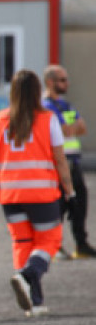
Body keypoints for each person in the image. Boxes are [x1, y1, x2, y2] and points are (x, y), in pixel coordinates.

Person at [0, 69, 75, 317]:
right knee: (49, 241)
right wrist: (70, 192)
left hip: (10, 196)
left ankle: (34, 301)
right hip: (42, 194)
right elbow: (60, 161)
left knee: (23, 243)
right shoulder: (48, 119)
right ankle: (26, 275)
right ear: (38, 91)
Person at [42, 65, 94, 258]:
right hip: (58, 164)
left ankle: (81, 244)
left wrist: (69, 126)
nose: (67, 83)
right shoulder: (46, 106)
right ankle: (53, 246)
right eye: (62, 80)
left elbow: (81, 128)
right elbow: (64, 130)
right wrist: (69, 126)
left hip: (74, 162)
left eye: (66, 79)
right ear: (50, 82)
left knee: (80, 202)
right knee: (59, 206)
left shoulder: (65, 105)